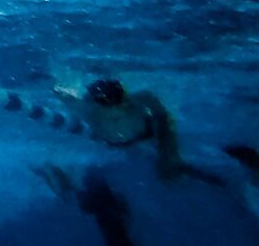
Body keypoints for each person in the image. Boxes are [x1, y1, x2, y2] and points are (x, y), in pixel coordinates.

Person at [59, 78, 225, 184]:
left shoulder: (138, 100)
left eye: (116, 99)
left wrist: (167, 153)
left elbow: (161, 117)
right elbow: (65, 96)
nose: (113, 105)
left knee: (171, 164)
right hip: (124, 142)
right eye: (108, 100)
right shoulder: (91, 108)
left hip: (141, 140)